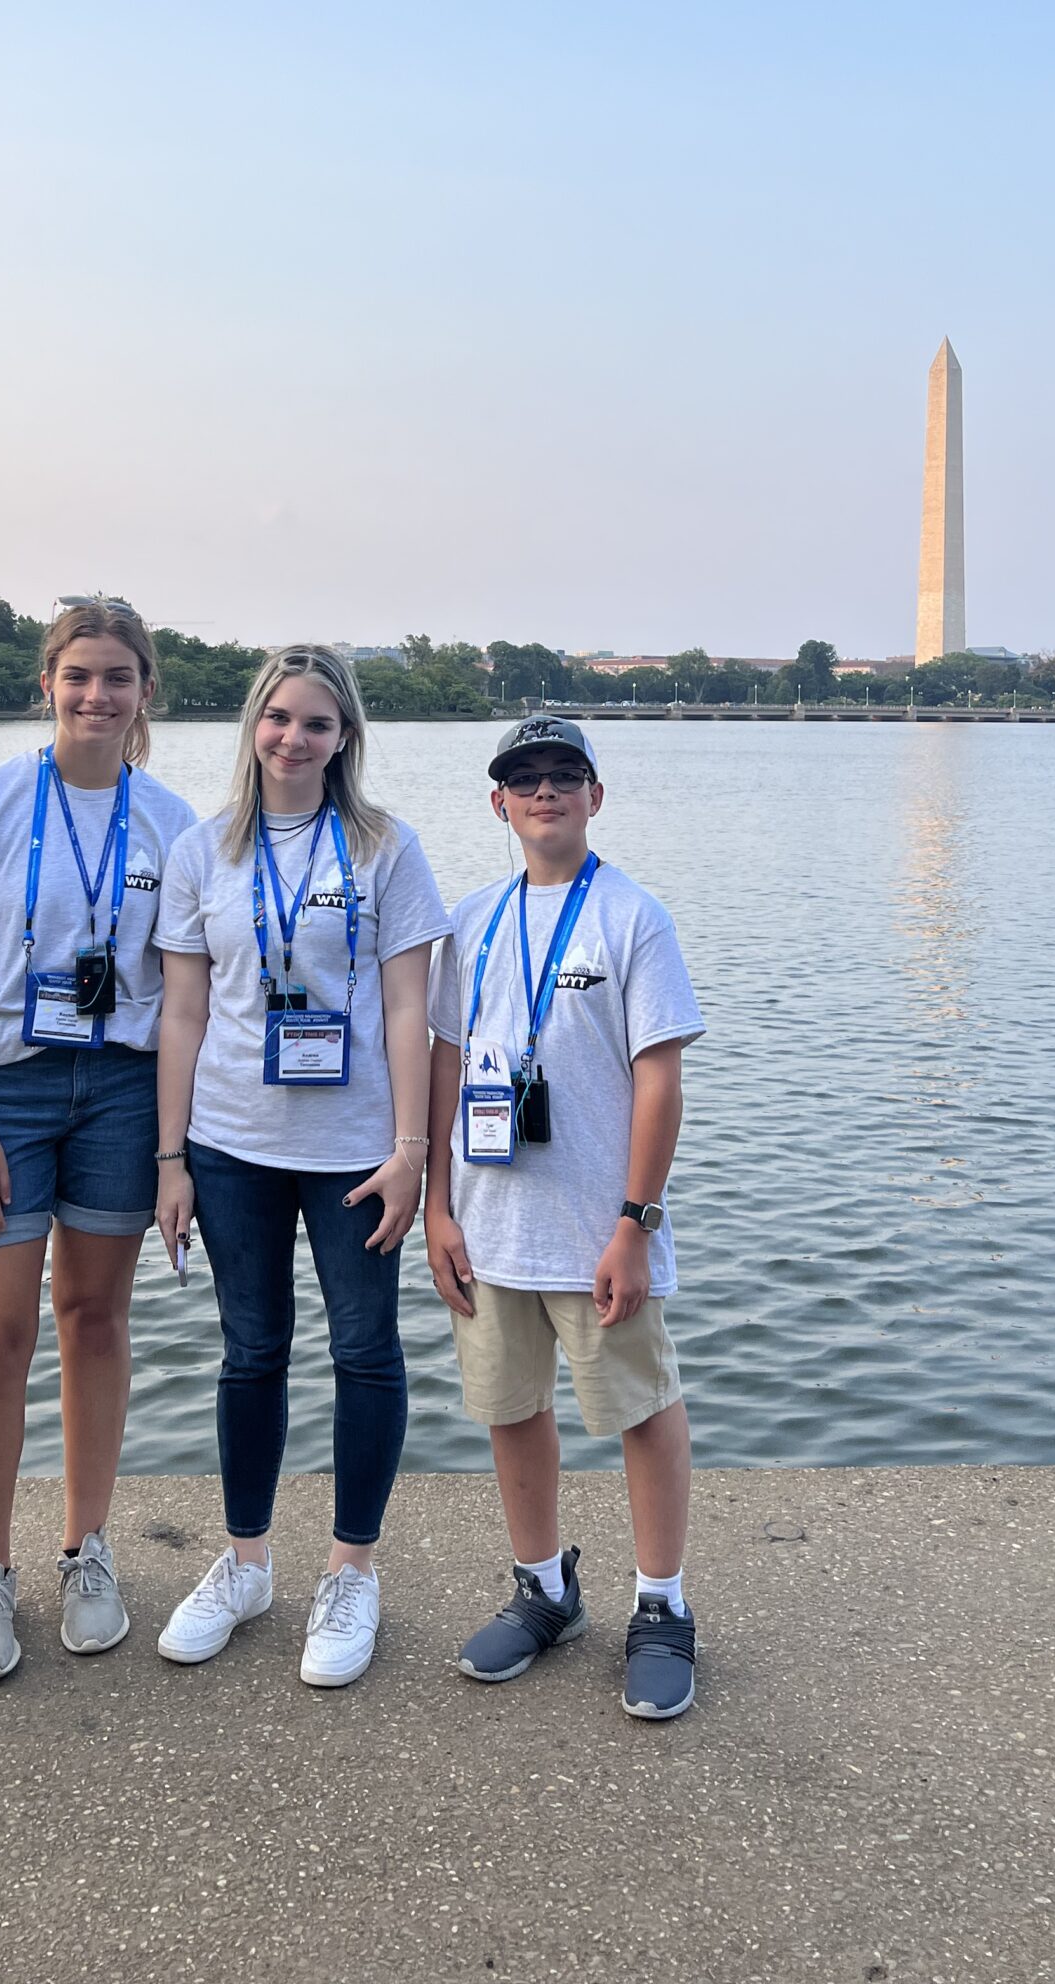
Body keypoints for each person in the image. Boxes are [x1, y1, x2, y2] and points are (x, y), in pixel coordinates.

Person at [152, 645, 448, 1688]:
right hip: (231, 1144)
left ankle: (351, 1569)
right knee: (251, 1351)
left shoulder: (384, 848)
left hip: (355, 1150)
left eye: (316, 723)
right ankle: (244, 1564)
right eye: (278, 717)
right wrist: (169, 1156)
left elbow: (412, 1006)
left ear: (345, 738)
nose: (293, 737)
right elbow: (183, 1011)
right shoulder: (203, 850)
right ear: (253, 726)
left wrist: (413, 1151)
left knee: (365, 1349)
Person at [0, 601, 195, 1683]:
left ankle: (85, 1549)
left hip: (123, 1088)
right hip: (5, 1092)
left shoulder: (172, 822)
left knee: (94, 1316)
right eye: (78, 675)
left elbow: (180, 994)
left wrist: (176, 1150)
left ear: (144, 692)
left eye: (118, 677)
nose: (97, 695)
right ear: (48, 682)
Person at [424, 714, 705, 1720]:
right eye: (525, 778)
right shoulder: (471, 918)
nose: (545, 792)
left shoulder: (633, 917)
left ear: (596, 795)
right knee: (508, 1408)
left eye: (565, 775)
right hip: (488, 1225)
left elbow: (659, 1079)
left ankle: (663, 1605)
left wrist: (635, 1220)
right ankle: (544, 1587)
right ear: (498, 801)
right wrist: (436, 1208)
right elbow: (446, 1066)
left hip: (598, 1231)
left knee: (639, 1410)